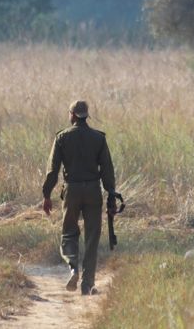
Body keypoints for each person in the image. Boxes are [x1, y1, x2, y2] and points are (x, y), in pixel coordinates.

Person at [42, 100, 118, 295]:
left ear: (73, 115)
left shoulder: (62, 137)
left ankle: (73, 268)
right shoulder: (98, 138)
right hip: (93, 190)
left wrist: (47, 194)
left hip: (72, 190)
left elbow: (52, 170)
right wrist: (111, 194)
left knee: (69, 232)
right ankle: (87, 284)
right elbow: (107, 169)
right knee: (92, 237)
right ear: (86, 116)